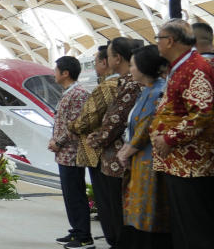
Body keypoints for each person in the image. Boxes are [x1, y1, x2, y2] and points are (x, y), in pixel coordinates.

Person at [148, 19, 214, 249]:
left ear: (170, 41)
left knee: (194, 228)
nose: (157, 44)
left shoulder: (195, 68)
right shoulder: (181, 67)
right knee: (183, 226)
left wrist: (168, 138)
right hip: (179, 163)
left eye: (158, 39)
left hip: (191, 165)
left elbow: (203, 112)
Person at [85, 37, 142, 248]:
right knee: (113, 209)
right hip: (113, 158)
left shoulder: (131, 85)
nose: (106, 61)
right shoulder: (124, 83)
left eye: (108, 56)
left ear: (117, 58)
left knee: (117, 210)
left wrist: (97, 137)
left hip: (118, 160)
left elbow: (116, 121)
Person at [116, 45, 171, 249]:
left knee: (148, 209)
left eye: (132, 65)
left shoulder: (157, 92)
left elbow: (147, 126)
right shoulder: (147, 90)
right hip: (140, 159)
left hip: (149, 160)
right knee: (139, 208)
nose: (130, 69)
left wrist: (127, 151)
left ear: (143, 66)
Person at [70, 44, 121, 248]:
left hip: (101, 153)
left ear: (105, 62)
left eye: (96, 62)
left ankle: (114, 241)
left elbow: (87, 118)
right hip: (117, 153)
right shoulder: (125, 84)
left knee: (108, 203)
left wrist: (71, 125)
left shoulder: (107, 87)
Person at [49, 55, 93, 249]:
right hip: (65, 154)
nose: (54, 73)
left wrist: (58, 142)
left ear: (65, 73)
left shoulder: (79, 94)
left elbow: (76, 124)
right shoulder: (69, 92)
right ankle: (76, 231)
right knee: (70, 194)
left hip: (72, 153)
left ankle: (84, 236)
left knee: (75, 194)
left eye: (56, 69)